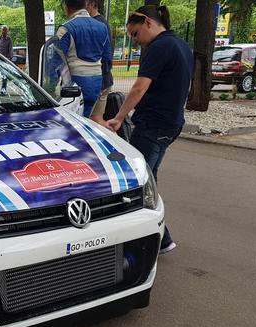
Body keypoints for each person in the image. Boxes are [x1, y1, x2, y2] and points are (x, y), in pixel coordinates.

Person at [105, 5, 193, 254]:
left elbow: (140, 87)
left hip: (154, 125)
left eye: (135, 34)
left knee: (138, 183)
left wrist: (119, 117)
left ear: (148, 23)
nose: (135, 41)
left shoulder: (160, 47)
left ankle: (148, 241)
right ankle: (162, 238)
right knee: (148, 179)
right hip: (170, 123)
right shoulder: (180, 45)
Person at [56, 0, 111, 118]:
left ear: (66, 7)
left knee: (73, 122)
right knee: (86, 119)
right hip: (97, 80)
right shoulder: (102, 27)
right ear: (86, 5)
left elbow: (56, 60)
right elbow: (107, 57)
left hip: (75, 83)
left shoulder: (65, 28)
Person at [85, 0, 113, 126]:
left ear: (91, 5)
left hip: (98, 80)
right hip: (104, 79)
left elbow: (104, 56)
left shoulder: (96, 24)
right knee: (96, 118)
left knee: (94, 119)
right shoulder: (102, 23)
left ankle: (116, 143)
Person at [0, 25, 13, 94]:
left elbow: (10, 50)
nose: (4, 31)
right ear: (1, 31)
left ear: (7, 31)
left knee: (4, 76)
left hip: (5, 60)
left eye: (5, 30)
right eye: (3, 30)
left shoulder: (9, 39)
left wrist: (8, 59)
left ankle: (3, 90)